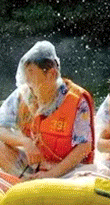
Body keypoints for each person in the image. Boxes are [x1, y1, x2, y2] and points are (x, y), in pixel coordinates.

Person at [0, 41, 96, 179]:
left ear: (51, 74)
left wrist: (51, 175)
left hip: (67, 171)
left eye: (32, 74)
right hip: (35, 167)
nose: (28, 81)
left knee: (100, 172)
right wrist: (24, 142)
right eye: (26, 74)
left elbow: (84, 147)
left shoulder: (76, 99)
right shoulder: (25, 92)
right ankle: (24, 187)